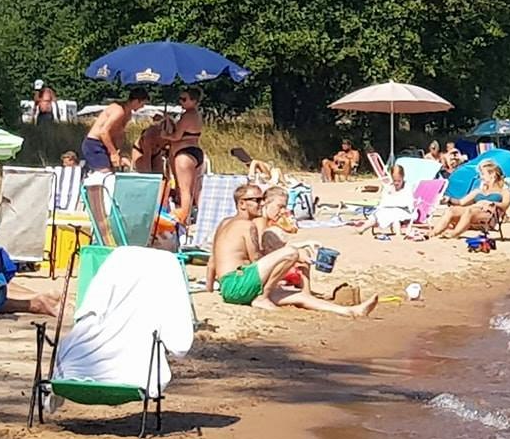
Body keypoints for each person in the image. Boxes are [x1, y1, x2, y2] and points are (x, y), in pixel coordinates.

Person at [208, 187, 377, 316]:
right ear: (241, 204)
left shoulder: (225, 222)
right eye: (256, 200)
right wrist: (284, 263)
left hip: (233, 288)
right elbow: (256, 260)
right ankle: (262, 297)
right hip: (238, 284)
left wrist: (210, 290)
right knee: (291, 253)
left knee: (300, 296)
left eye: (262, 199)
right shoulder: (248, 225)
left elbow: (212, 261)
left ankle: (352, 311)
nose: (261, 203)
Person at [82, 91, 146, 246]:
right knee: (104, 176)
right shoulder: (118, 110)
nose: (142, 107)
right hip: (94, 144)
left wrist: (119, 153)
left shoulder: (128, 114)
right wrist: (112, 153)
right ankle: (97, 212)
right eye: (142, 103)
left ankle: (108, 216)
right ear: (136, 101)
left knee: (112, 176)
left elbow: (118, 134)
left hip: (105, 145)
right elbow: (103, 132)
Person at [427, 159, 510, 240]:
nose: (481, 177)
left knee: (470, 211)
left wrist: (490, 203)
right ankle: (433, 233)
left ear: (493, 175)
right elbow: (461, 202)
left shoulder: (504, 192)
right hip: (472, 212)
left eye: (483, 174)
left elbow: (505, 205)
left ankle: (454, 233)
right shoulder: (479, 191)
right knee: (451, 210)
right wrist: (448, 199)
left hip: (488, 217)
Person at [168, 88, 207, 228]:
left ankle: (184, 221)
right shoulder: (197, 115)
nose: (181, 102)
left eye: (184, 99)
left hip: (184, 154)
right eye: (180, 99)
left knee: (185, 190)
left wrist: (164, 135)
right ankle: (204, 219)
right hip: (196, 152)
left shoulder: (187, 115)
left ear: (194, 101)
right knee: (197, 190)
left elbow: (176, 136)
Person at [371, 164, 414, 238]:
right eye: (394, 181)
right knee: (375, 216)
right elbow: (383, 201)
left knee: (395, 218)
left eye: (399, 181)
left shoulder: (407, 187)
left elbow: (408, 202)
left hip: (403, 211)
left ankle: (398, 234)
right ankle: (361, 229)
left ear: (403, 177)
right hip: (388, 209)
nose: (396, 183)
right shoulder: (389, 187)